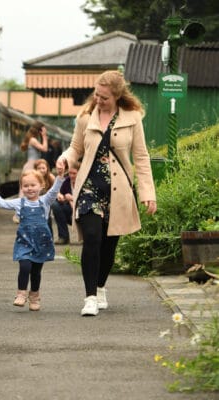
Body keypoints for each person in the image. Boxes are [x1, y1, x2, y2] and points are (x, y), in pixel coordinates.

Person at [56, 70, 157, 317]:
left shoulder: (132, 118)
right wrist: (65, 159)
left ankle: (101, 287)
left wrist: (147, 192)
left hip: (119, 190)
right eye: (97, 95)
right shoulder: (85, 117)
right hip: (89, 187)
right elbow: (75, 148)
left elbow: (141, 157)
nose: (99, 100)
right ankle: (90, 297)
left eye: (104, 97)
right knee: (92, 238)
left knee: (109, 246)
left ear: (117, 96)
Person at [0, 167, 65, 311]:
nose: (29, 188)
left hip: (41, 243)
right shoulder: (19, 203)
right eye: (25, 186)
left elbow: (54, 191)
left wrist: (60, 177)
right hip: (24, 242)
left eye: (33, 185)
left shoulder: (45, 201)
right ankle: (21, 294)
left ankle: (35, 296)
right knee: (24, 266)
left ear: (41, 186)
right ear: (21, 187)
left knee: (36, 272)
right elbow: (2, 203)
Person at [13, 122, 48, 223]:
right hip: (31, 167)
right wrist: (44, 136)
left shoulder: (33, 139)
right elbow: (44, 148)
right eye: (43, 130)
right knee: (24, 192)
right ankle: (18, 215)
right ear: (39, 130)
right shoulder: (33, 140)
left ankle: (28, 214)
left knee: (32, 191)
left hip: (33, 166)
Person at [52, 161, 80, 245]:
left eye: (74, 173)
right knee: (55, 205)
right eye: (70, 173)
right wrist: (60, 196)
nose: (71, 176)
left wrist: (72, 198)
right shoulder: (67, 181)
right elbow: (60, 193)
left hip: (82, 210)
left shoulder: (85, 182)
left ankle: (85, 237)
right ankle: (63, 237)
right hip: (70, 211)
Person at [34, 158, 56, 236]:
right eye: (39, 168)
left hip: (47, 201)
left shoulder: (51, 177)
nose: (41, 170)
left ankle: (50, 236)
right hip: (36, 202)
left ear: (47, 169)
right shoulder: (33, 178)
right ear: (35, 169)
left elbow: (56, 190)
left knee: (47, 219)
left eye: (43, 168)